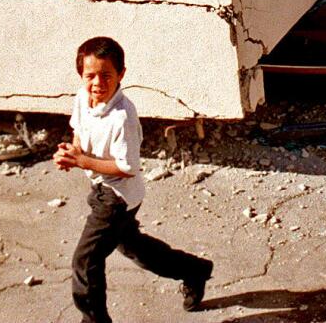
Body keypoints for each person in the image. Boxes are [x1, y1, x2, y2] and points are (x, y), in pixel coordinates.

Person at [55, 37, 214, 323]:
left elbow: (126, 167)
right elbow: (78, 131)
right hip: (102, 188)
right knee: (135, 248)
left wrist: (82, 161)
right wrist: (72, 152)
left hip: (118, 196)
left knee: (86, 260)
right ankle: (193, 270)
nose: (97, 83)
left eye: (107, 75)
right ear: (81, 76)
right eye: (90, 76)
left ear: (121, 75)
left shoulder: (122, 117)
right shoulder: (82, 98)